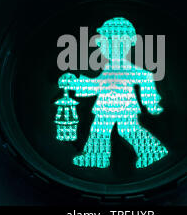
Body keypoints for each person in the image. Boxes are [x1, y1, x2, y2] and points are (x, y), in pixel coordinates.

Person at [58, 17, 168, 169]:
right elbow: (98, 85)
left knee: (126, 130)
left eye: (115, 43)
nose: (109, 47)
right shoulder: (110, 68)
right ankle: (96, 158)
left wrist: (151, 102)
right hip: (107, 106)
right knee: (100, 130)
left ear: (128, 43)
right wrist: (75, 83)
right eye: (106, 41)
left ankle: (152, 151)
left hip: (123, 106)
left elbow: (145, 76)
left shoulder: (125, 68)